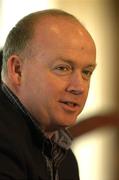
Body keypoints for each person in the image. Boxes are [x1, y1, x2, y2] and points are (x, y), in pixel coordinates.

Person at [0, 9, 96, 180]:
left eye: (87, 72)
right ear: (17, 70)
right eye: (63, 68)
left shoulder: (65, 159)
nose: (79, 87)